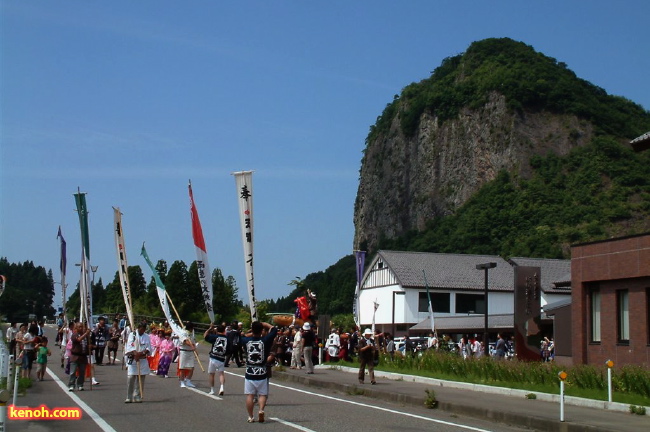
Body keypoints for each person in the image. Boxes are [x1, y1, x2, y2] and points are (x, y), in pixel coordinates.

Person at [240, 321, 277, 423]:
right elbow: (274, 330)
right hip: (262, 371)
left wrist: (248, 332)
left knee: (250, 395)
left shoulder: (246, 340)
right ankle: (261, 410)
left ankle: (250, 416)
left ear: (252, 330)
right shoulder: (265, 340)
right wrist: (266, 324)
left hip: (250, 371)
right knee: (262, 394)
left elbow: (238, 336)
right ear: (262, 330)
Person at [124, 322, 151, 403]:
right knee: (131, 378)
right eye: (141, 329)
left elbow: (148, 347)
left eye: (144, 329)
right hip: (133, 359)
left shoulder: (147, 336)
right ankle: (129, 396)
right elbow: (130, 346)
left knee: (141, 378)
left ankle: (137, 395)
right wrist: (135, 353)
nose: (142, 331)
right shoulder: (133, 335)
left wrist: (142, 353)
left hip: (142, 359)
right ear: (138, 328)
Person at [204, 324, 229, 395]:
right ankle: (222, 387)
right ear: (224, 330)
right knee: (221, 374)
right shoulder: (227, 339)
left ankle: (212, 389)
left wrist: (209, 328)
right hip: (221, 358)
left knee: (211, 374)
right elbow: (229, 350)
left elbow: (205, 336)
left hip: (213, 357)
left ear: (217, 330)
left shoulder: (215, 337)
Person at [68, 322, 90, 391]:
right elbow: (78, 340)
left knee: (82, 372)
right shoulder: (74, 335)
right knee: (73, 372)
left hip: (83, 357)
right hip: (75, 356)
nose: (81, 328)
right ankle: (71, 385)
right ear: (76, 328)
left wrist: (90, 346)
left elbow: (89, 343)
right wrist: (86, 333)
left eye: (82, 327)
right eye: (79, 327)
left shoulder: (86, 336)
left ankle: (80, 384)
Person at [178, 322, 197, 388]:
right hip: (184, 352)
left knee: (191, 367)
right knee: (182, 368)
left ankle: (188, 381)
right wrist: (191, 345)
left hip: (190, 352)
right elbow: (185, 341)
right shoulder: (183, 333)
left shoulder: (191, 334)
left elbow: (193, 342)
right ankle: (182, 382)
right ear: (190, 328)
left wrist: (195, 350)